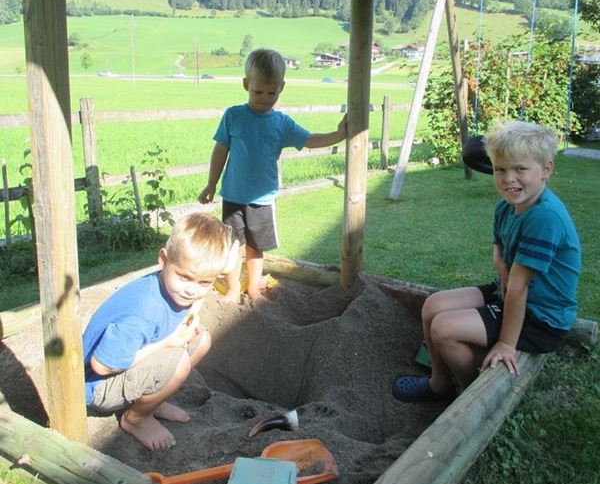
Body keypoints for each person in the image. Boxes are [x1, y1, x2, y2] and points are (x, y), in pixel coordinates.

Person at [393, 120, 581, 402]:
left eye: (520, 169)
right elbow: (499, 246)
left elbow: (519, 288)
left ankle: (470, 396)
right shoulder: (507, 206)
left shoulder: (545, 217)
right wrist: (498, 261)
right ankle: (439, 384)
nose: (509, 179)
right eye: (500, 170)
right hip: (507, 293)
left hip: (540, 317)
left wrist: (506, 343)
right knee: (433, 305)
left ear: (546, 169)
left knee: (444, 329)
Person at [198, 48, 347, 302]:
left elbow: (309, 139)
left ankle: (254, 288)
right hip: (233, 196)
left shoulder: (281, 123)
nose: (265, 98)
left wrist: (339, 135)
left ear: (282, 88)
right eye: (258, 92)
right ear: (246, 85)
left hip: (263, 200)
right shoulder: (233, 116)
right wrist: (211, 184)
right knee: (232, 247)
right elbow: (220, 150)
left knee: (256, 248)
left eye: (272, 93)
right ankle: (234, 288)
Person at [82, 212, 237, 450]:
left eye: (204, 283)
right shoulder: (144, 311)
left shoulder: (175, 286)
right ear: (163, 260)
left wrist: (221, 267)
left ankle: (152, 402)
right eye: (185, 278)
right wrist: (167, 343)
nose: (191, 291)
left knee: (201, 338)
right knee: (178, 361)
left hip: (119, 370)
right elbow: (102, 364)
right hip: (97, 386)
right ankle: (136, 419)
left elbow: (195, 291)